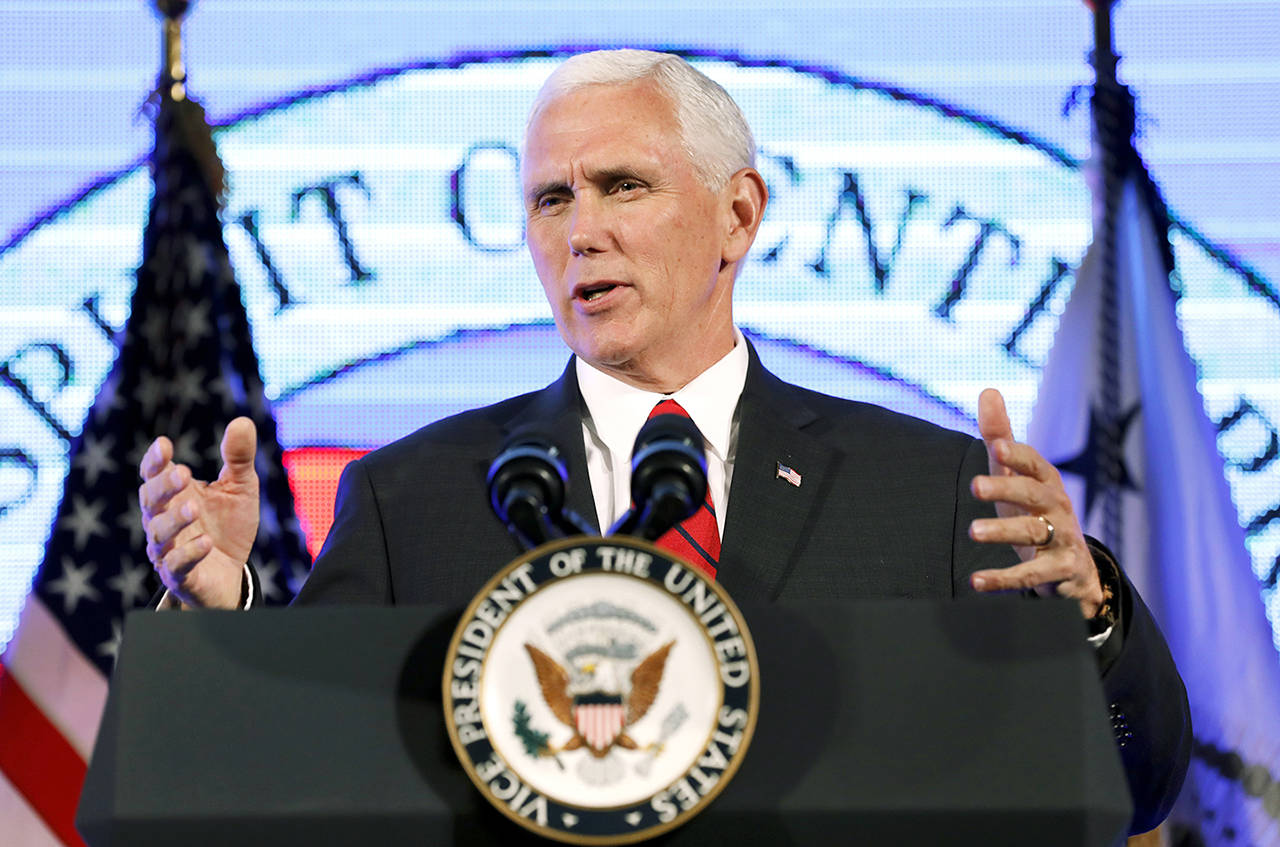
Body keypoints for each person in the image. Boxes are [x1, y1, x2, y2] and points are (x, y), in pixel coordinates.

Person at [137, 49, 1189, 832]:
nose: (579, 230)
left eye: (621, 186)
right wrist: (227, 609)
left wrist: (1087, 619)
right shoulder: (414, 494)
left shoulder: (927, 486)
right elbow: (305, 777)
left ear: (737, 215)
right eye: (551, 198)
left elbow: (1130, 786)